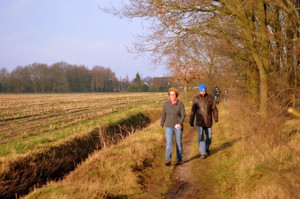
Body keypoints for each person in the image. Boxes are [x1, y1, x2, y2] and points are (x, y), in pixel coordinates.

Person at [190, 84, 218, 159]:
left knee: (209, 137)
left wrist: (216, 118)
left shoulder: (210, 98)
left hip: (208, 121)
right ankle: (202, 153)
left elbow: (214, 109)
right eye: (202, 90)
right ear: (199, 91)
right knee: (201, 137)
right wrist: (191, 120)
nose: (203, 91)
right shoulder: (196, 99)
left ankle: (206, 148)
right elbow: (193, 110)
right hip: (199, 122)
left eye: (204, 90)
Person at [161, 87, 186, 166]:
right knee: (169, 143)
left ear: (176, 95)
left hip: (177, 126)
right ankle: (168, 159)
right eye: (171, 94)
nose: (172, 96)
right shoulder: (166, 104)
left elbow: (183, 115)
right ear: (169, 95)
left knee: (178, 143)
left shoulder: (180, 104)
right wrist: (162, 123)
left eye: (174, 94)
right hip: (168, 126)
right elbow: (163, 115)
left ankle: (179, 159)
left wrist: (180, 123)